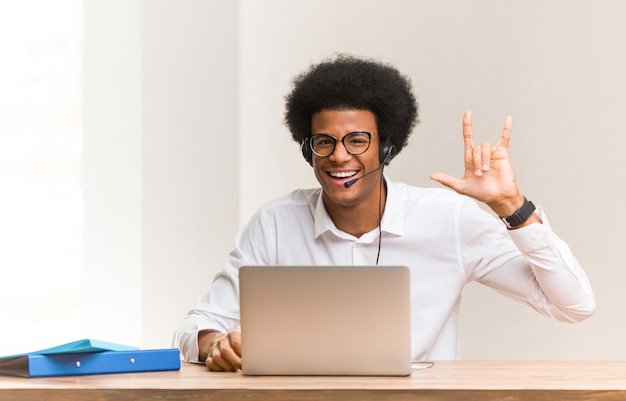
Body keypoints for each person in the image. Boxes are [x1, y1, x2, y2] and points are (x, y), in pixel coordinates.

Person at [173, 54, 595, 372]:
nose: (340, 157)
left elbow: (574, 306)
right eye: (324, 141)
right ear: (309, 149)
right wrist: (216, 344)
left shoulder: (448, 219)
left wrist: (510, 206)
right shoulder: (276, 224)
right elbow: (194, 326)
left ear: (386, 147)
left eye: (357, 140)